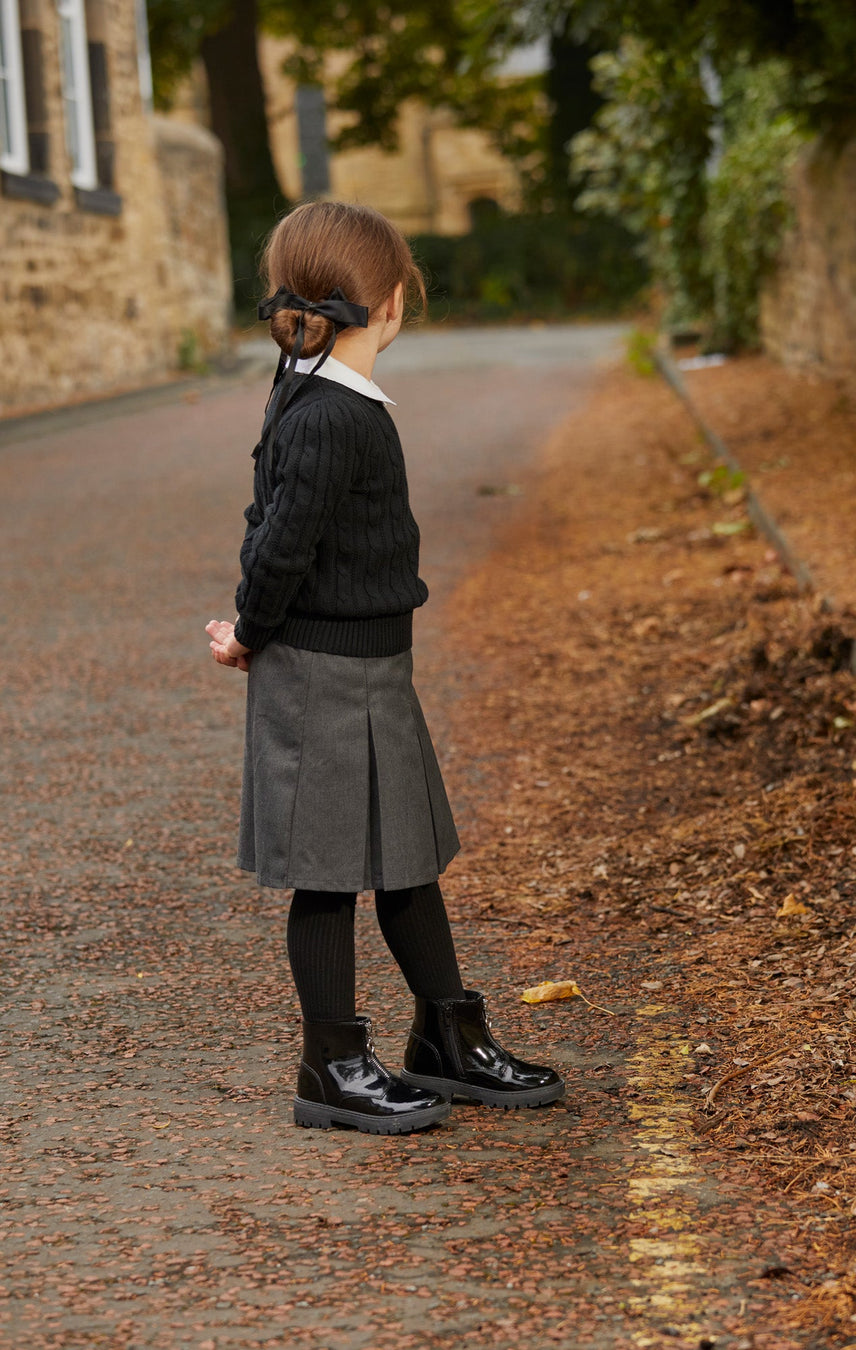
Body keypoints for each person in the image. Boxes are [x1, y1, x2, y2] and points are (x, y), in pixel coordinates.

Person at [206, 201, 564, 1135]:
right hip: (320, 672)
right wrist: (249, 628)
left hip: (373, 667)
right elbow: (279, 539)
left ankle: (446, 1036)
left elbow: (275, 522)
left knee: (404, 855)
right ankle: (330, 1064)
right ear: (394, 302)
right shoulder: (326, 411)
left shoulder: (315, 390)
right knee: (327, 873)